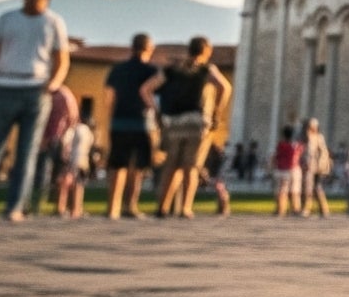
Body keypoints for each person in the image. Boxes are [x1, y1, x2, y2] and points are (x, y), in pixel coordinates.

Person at [0, 0, 71, 221]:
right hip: (6, 85)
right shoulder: (7, 20)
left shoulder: (53, 22)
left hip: (36, 89)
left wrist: (53, 84)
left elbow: (62, 59)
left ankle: (15, 206)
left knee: (27, 151)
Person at [155, 39, 230, 219]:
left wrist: (158, 112)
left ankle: (163, 206)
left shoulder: (173, 69)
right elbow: (225, 87)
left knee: (171, 167)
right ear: (206, 51)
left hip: (173, 123)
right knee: (191, 167)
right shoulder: (206, 69)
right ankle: (185, 208)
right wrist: (216, 113)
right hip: (196, 124)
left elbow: (149, 88)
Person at [101, 33, 161, 221]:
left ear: (132, 47)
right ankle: (131, 206)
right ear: (149, 49)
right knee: (138, 167)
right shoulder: (152, 71)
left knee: (118, 166)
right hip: (142, 123)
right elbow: (154, 99)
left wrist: (110, 118)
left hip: (118, 122)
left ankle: (113, 208)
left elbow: (108, 97)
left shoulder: (117, 69)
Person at [32, 82, 78, 218]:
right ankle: (56, 206)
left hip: (52, 139)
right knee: (56, 174)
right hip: (55, 139)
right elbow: (73, 118)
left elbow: (71, 118)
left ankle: (40, 205)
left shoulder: (56, 94)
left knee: (47, 173)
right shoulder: (65, 94)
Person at [55, 98, 95, 218]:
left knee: (65, 184)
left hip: (72, 159)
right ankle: (76, 209)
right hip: (83, 160)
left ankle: (61, 207)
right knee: (79, 185)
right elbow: (91, 144)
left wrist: (64, 156)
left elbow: (65, 142)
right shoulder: (87, 130)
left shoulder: (72, 129)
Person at [300, 118, 332, 216]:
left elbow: (323, 152)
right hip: (307, 166)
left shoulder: (318, 137)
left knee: (314, 188)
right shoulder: (304, 138)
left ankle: (310, 208)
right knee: (310, 188)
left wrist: (320, 165)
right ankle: (319, 209)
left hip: (315, 167)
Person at [270, 125, 303, 216]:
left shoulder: (280, 145)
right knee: (295, 191)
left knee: (281, 191)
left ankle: (280, 209)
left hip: (280, 169)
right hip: (293, 169)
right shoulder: (295, 145)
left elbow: (275, 156)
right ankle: (295, 209)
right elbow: (300, 152)